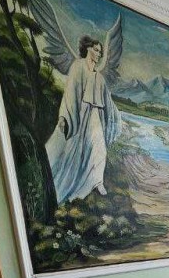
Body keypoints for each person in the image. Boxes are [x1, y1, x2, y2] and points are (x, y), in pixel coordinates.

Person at [45, 36, 122, 204]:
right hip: (80, 114)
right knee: (75, 150)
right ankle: (70, 183)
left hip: (95, 115)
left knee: (99, 147)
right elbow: (70, 92)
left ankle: (97, 181)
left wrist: (116, 118)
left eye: (100, 52)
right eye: (96, 50)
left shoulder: (98, 76)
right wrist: (64, 116)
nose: (99, 54)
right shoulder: (78, 66)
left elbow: (107, 100)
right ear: (87, 49)